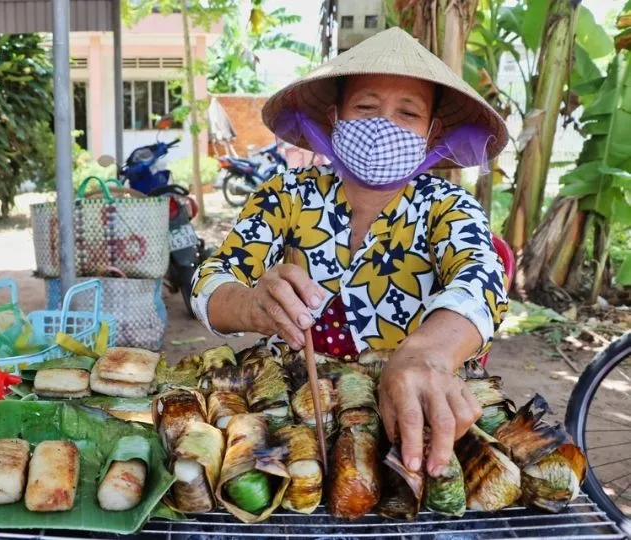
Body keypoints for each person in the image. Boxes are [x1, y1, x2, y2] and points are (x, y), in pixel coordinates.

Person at [190, 27, 510, 479]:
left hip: (408, 417)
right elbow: (209, 280)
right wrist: (250, 304)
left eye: (408, 113)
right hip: (295, 416)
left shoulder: (447, 206)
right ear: (336, 117)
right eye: (365, 107)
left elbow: (482, 282)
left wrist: (425, 356)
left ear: (431, 131)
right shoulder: (285, 194)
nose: (384, 126)